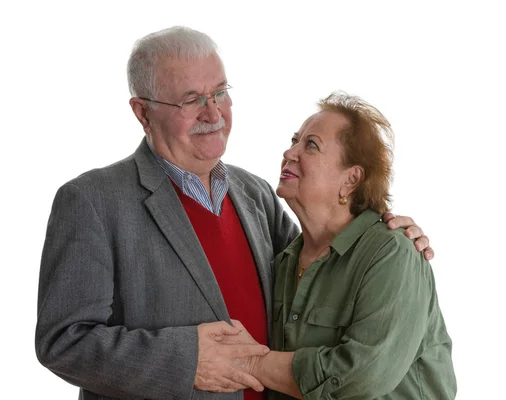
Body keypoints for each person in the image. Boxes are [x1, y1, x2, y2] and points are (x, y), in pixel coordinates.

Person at [35, 26, 434, 400]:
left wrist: (383, 231)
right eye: (192, 100)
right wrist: (187, 359)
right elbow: (63, 341)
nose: (213, 113)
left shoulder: (255, 193)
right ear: (143, 112)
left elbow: (319, 273)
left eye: (220, 93)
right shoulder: (91, 200)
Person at [230, 92, 456, 399]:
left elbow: (361, 377)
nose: (290, 152)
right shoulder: (285, 259)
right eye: (294, 140)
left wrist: (252, 362)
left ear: (351, 179)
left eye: (311, 145)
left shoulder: (391, 253)